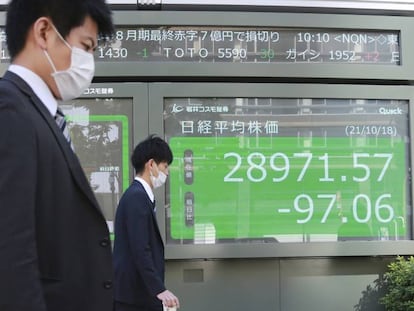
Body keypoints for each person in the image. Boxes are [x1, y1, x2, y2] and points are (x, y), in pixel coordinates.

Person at [0, 0, 114, 310]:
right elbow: (10, 252)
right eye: (85, 46)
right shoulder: (10, 109)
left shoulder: (40, 115)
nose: (88, 62)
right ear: (44, 32)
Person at [113, 135, 180, 311]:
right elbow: (140, 248)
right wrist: (159, 289)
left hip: (137, 294)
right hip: (133, 297)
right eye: (165, 166)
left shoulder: (140, 196)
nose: (167, 173)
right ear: (151, 165)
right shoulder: (137, 197)